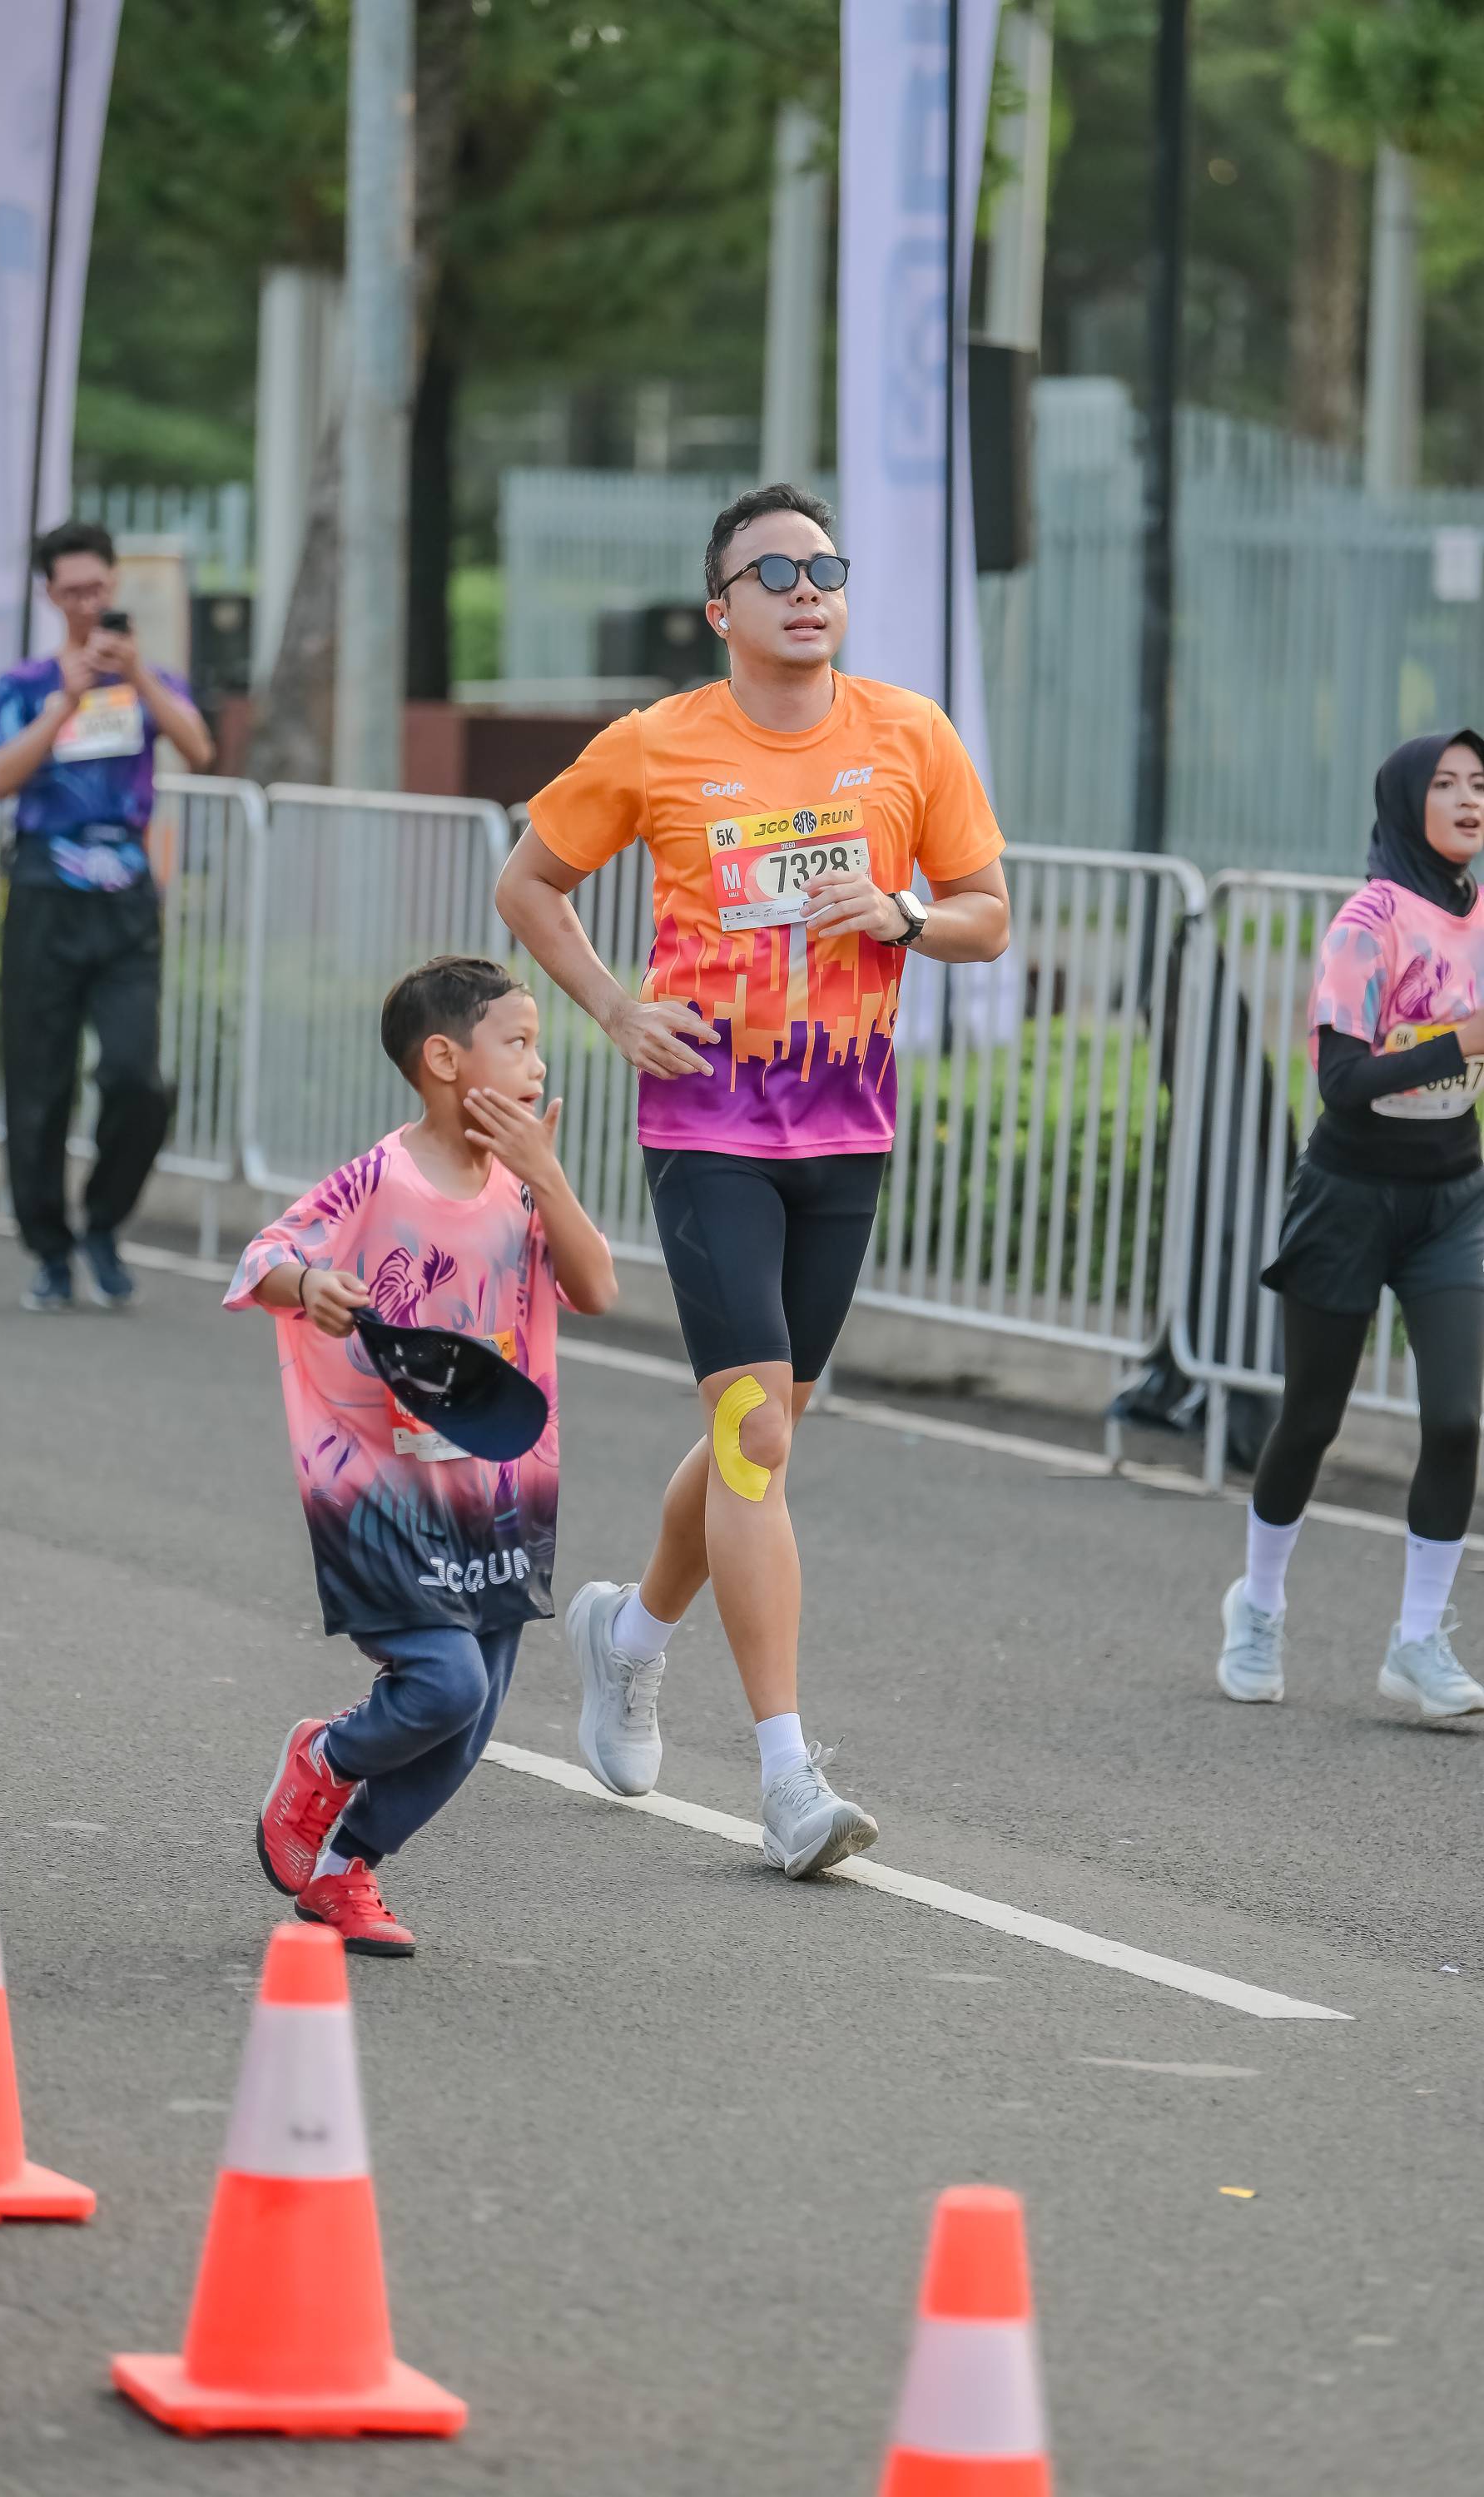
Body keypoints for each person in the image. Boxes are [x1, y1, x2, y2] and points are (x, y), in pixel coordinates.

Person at [496, 482, 1010, 1877]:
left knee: (764, 1429)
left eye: (823, 569)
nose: (805, 591)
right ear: (720, 609)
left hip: (846, 1132)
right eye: (772, 573)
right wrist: (614, 1008)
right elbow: (529, 883)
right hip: (709, 1125)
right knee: (755, 1438)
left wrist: (903, 912)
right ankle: (787, 1776)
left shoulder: (910, 734)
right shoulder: (658, 743)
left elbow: (988, 915)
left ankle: (628, 1635)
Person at [228, 956, 618, 1955]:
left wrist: (548, 1176)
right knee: (445, 1686)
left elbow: (596, 1288)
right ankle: (326, 1757)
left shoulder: (525, 1185)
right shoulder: (382, 1179)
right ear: (444, 1060)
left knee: (469, 1722)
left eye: (537, 1046)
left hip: (498, 1492)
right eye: (516, 1043)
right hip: (384, 1491)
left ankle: (343, 1868)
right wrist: (309, 1285)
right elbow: (265, 1255)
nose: (537, 1065)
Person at [1216, 729, 1484, 1716]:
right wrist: (1455, 1041)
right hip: (1347, 1194)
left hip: (1451, 1195)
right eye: (1445, 784)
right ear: (1404, 799)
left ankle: (1416, 1640)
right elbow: (1339, 1082)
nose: (1467, 800)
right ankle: (1257, 1603)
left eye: (1479, 784)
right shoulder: (1366, 923)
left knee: (1455, 1419)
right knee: (1310, 1420)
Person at [0, 519, 214, 1314]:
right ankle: (49, 1251)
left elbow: (199, 748)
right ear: (50, 595)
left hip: (126, 903)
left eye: (98, 589)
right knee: (38, 1084)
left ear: (114, 587)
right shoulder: (23, 685)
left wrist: (136, 674)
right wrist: (64, 705)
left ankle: (103, 1224)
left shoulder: (150, 681)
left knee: (135, 1076)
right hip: (43, 896)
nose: (87, 603)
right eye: (72, 591)